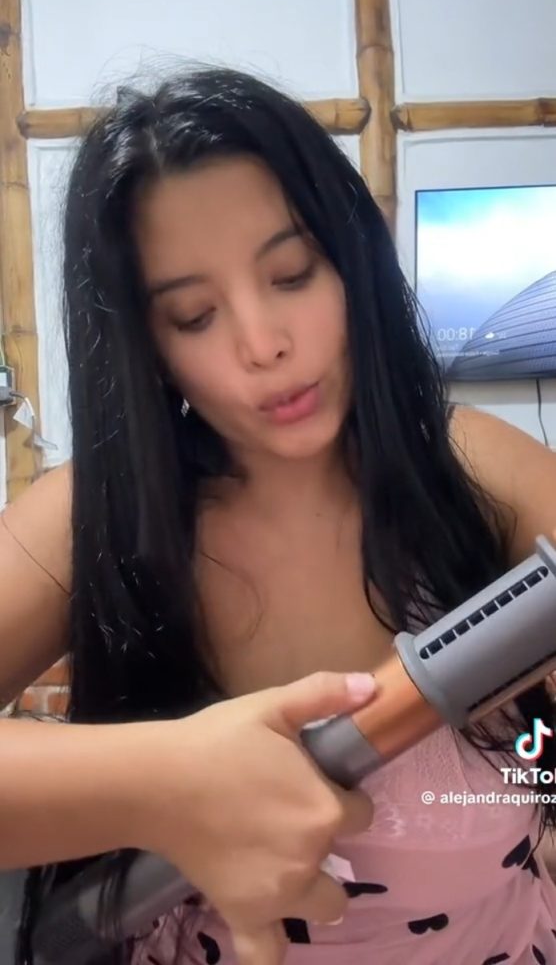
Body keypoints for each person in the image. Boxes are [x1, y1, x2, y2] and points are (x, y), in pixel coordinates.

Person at [2, 65, 556, 965]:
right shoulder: (97, 516)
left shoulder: (469, 469)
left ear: (350, 261)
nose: (264, 345)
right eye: (194, 316)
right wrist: (160, 781)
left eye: (292, 274)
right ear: (147, 344)